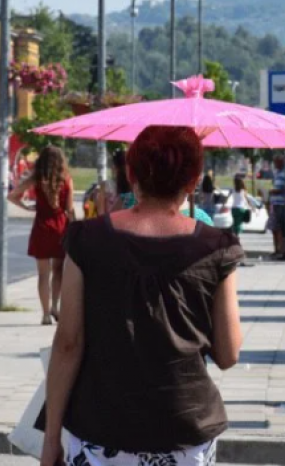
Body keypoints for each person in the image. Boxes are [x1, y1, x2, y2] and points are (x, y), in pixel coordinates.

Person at [40, 125, 244, 466]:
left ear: (131, 174)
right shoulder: (216, 247)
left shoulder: (87, 239)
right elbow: (228, 353)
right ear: (193, 182)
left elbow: (68, 344)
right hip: (184, 427)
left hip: (100, 426)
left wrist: (50, 440)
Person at [8, 146, 74, 326]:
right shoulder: (66, 180)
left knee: (43, 274)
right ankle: (55, 306)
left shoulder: (36, 178)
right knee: (58, 270)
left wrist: (27, 207)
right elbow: (69, 209)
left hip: (41, 227)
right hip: (60, 227)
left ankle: (45, 314)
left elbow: (12, 195)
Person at [268, 154, 285, 258]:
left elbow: (284, 188)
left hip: (281, 204)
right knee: (274, 228)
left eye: (276, 162)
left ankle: (282, 250)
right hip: (274, 203)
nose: (275, 164)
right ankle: (276, 249)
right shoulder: (276, 173)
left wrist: (273, 191)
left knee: (281, 228)